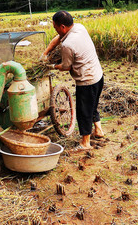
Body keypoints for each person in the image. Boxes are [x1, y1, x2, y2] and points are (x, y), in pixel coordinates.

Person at [41, 10, 104, 150]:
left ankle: (85, 143)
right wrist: (46, 52)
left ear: (62, 26)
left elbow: (66, 67)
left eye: (56, 27)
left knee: (84, 111)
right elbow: (58, 38)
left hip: (87, 81)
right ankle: (98, 130)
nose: (55, 30)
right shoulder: (79, 27)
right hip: (98, 76)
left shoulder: (67, 45)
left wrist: (51, 65)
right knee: (92, 105)